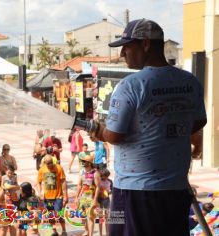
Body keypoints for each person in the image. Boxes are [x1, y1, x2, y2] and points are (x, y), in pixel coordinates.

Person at [87, 19, 207, 236]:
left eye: (127, 46)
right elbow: (198, 122)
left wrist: (99, 131)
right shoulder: (190, 82)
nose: (123, 53)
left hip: (132, 191)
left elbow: (113, 135)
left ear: (145, 44)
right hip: (176, 190)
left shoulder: (130, 85)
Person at [36, 155, 68, 236]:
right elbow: (38, 182)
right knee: (50, 215)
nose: (49, 165)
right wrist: (40, 193)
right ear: (45, 163)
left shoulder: (59, 168)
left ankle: (64, 230)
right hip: (47, 198)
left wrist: (65, 195)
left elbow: (63, 182)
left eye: (51, 163)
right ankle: (54, 230)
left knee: (59, 214)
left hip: (58, 196)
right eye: (48, 163)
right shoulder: (42, 170)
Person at [75, 155, 100, 236]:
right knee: (82, 216)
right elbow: (79, 185)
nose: (82, 162)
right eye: (82, 161)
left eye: (84, 161)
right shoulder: (82, 171)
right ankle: (86, 230)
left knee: (90, 218)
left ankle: (91, 234)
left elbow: (98, 187)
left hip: (90, 198)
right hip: (82, 197)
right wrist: (76, 197)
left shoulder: (95, 173)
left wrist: (95, 200)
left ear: (89, 163)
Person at [97, 168, 112, 236]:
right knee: (100, 217)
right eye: (104, 176)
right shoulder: (98, 181)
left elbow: (112, 190)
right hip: (99, 200)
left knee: (107, 217)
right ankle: (100, 233)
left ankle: (107, 233)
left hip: (106, 200)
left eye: (107, 176)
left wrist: (108, 192)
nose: (105, 177)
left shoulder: (110, 181)